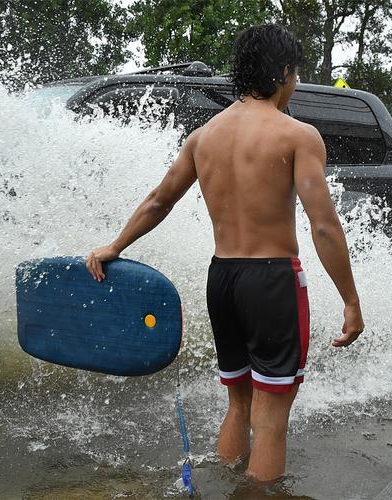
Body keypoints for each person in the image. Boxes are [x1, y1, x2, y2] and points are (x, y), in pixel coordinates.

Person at [85, 24, 364, 482]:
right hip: (272, 281)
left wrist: (115, 246)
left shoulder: (203, 136)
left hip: (223, 279)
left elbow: (159, 200)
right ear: (283, 73)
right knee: (271, 417)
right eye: (295, 76)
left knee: (238, 401)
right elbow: (323, 226)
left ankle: (226, 481)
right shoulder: (297, 135)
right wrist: (350, 300)